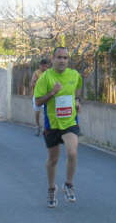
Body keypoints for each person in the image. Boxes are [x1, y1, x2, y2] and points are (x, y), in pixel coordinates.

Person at [34, 47, 83, 208]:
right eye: (59, 57)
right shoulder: (45, 78)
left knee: (72, 152)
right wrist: (52, 93)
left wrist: (77, 100)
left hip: (69, 122)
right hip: (52, 124)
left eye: (65, 58)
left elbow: (78, 88)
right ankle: (51, 188)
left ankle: (68, 184)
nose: (62, 60)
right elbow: (38, 102)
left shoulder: (74, 75)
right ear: (52, 59)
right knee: (53, 159)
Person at [30, 59, 49, 136]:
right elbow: (32, 83)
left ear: (47, 66)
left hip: (47, 95)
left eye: (45, 65)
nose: (44, 67)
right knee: (37, 112)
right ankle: (37, 126)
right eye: (42, 65)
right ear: (40, 65)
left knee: (47, 112)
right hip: (38, 95)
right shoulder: (36, 73)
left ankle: (46, 128)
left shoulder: (49, 73)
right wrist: (39, 84)